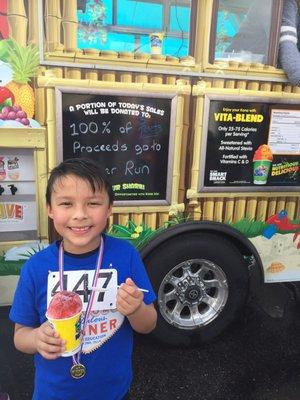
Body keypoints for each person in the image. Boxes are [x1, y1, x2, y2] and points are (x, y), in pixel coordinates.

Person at [9, 157, 157, 400]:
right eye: (66, 203)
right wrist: (36, 339)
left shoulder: (126, 256)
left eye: (93, 203)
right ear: (50, 208)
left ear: (109, 208)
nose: (80, 214)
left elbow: (149, 324)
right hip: (53, 393)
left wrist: (136, 308)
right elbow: (20, 335)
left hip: (113, 392)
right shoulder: (36, 268)